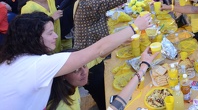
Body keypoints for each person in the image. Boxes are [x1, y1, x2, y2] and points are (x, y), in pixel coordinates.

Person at [0, 12, 153, 110]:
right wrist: (135, 27)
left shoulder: (15, 61)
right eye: (50, 33)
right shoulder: (35, 66)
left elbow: (97, 55)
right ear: (33, 38)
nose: (55, 36)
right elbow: (97, 49)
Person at [73, 0, 156, 109]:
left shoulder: (86, 2)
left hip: (96, 56)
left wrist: (118, 42)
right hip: (90, 63)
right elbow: (112, 1)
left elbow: (94, 32)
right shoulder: (85, 5)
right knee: (105, 98)